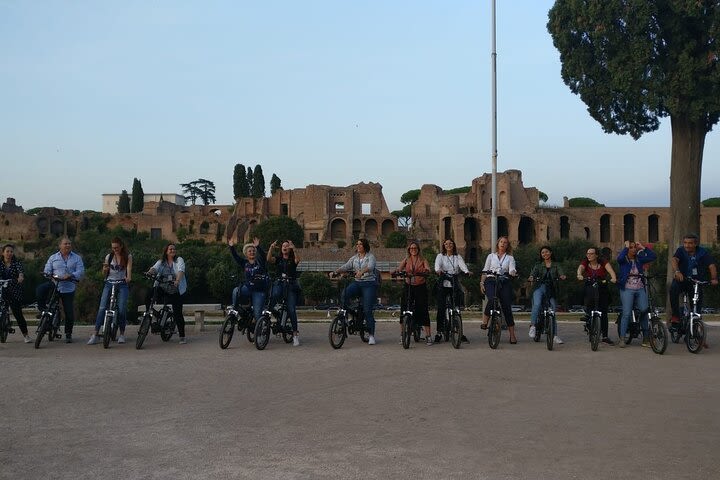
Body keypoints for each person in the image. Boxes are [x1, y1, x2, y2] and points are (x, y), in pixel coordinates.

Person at [36, 237, 85, 343]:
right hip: (55, 284)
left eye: (69, 243)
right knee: (40, 289)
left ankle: (68, 333)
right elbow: (47, 269)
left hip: (68, 288)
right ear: (60, 245)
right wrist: (49, 274)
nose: (68, 245)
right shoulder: (53, 257)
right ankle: (42, 310)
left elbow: (81, 271)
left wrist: (71, 275)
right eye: (65, 243)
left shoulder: (77, 258)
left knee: (69, 313)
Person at [333, 238, 378, 345]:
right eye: (357, 244)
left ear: (365, 246)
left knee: (367, 310)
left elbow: (371, 267)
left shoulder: (370, 257)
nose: (358, 246)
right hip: (357, 283)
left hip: (369, 284)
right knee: (345, 294)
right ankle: (346, 314)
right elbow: (346, 266)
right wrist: (335, 272)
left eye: (360, 244)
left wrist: (361, 272)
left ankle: (371, 335)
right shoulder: (354, 258)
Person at [669, 233, 718, 331]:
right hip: (682, 280)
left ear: (695, 244)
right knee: (673, 289)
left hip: (696, 281)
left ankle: (696, 326)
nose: (687, 245)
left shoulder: (702, 252)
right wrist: (677, 271)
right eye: (685, 243)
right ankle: (675, 316)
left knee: (697, 303)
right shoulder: (681, 250)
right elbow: (674, 260)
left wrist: (714, 278)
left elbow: (711, 266)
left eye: (690, 243)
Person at [88, 237, 132, 345]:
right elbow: (104, 272)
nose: (115, 249)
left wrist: (128, 277)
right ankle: (95, 334)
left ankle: (122, 334)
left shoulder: (127, 256)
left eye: (116, 247)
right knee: (102, 307)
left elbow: (129, 268)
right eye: (113, 247)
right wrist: (104, 270)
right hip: (109, 282)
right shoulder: (109, 256)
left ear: (121, 246)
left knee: (121, 309)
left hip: (122, 283)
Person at [616, 240, 657, 348]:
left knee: (644, 310)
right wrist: (625, 247)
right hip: (627, 289)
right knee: (626, 313)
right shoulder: (624, 260)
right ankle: (622, 338)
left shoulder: (639, 259)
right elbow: (619, 258)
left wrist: (643, 247)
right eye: (631, 247)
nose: (633, 249)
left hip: (639, 288)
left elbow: (653, 256)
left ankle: (646, 338)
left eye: (634, 247)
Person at [146, 243, 188, 344]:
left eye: (174, 249)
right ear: (166, 251)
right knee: (148, 296)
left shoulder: (179, 260)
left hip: (175, 289)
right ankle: (153, 315)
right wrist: (149, 272)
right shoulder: (161, 262)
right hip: (163, 287)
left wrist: (177, 280)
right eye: (170, 249)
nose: (173, 251)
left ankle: (182, 336)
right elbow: (154, 268)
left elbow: (181, 270)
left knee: (178, 313)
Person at [393, 240, 432, 346]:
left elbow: (428, 268)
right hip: (408, 286)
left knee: (423, 309)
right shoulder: (406, 260)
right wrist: (396, 271)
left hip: (420, 286)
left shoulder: (423, 259)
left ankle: (428, 336)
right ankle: (402, 335)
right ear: (409, 250)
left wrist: (426, 271)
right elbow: (399, 268)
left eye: (415, 248)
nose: (413, 250)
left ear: (418, 250)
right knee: (404, 308)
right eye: (411, 248)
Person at [577, 246, 617, 345]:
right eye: (587, 254)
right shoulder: (585, 262)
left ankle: (605, 336)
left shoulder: (603, 262)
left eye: (591, 253)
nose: (589, 255)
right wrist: (579, 275)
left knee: (604, 312)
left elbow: (610, 270)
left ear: (596, 255)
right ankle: (588, 316)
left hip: (602, 285)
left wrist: (613, 277)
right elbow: (580, 268)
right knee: (588, 298)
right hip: (590, 285)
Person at [480, 236, 518, 343]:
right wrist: (482, 283)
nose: (503, 244)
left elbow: (512, 268)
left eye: (505, 242)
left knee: (506, 307)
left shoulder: (510, 258)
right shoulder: (491, 256)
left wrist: (512, 272)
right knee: (492, 299)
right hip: (491, 280)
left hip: (504, 281)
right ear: (497, 244)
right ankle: (485, 321)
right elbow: (485, 270)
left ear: (507, 245)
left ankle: (512, 335)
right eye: (501, 242)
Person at [434, 239, 471, 343]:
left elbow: (462, 266)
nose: (448, 245)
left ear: (453, 245)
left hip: (454, 282)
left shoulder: (457, 257)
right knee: (441, 309)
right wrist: (438, 270)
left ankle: (460, 331)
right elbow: (437, 266)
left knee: (456, 308)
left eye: (450, 243)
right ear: (443, 245)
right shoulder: (440, 256)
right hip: (443, 282)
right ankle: (439, 332)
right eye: (446, 244)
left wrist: (466, 271)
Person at [528, 245, 566, 344]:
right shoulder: (538, 265)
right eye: (543, 252)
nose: (545, 254)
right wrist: (531, 277)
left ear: (551, 252)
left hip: (551, 289)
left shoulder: (556, 265)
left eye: (546, 252)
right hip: (539, 287)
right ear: (541, 255)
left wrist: (562, 276)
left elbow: (561, 272)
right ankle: (532, 326)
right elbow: (533, 274)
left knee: (552, 311)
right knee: (536, 304)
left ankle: (555, 335)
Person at [267, 239, 301, 346]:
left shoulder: (292, 259)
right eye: (283, 246)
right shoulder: (279, 259)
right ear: (281, 249)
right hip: (280, 283)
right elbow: (268, 259)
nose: (285, 247)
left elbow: (298, 260)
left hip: (290, 285)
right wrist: (271, 248)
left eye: (287, 246)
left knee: (291, 309)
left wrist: (294, 248)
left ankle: (295, 335)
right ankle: (273, 316)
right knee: (272, 298)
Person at [229, 236, 268, 324]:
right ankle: (235, 310)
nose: (252, 252)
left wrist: (258, 246)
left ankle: (259, 333)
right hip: (248, 288)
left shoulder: (260, 262)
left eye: (253, 251)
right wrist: (231, 247)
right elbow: (236, 257)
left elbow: (263, 256)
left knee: (257, 314)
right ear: (246, 254)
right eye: (250, 251)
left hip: (259, 290)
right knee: (236, 291)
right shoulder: (244, 263)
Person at [0, 244, 32, 343]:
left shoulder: (16, 263)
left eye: (11, 251)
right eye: (7, 251)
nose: (9, 253)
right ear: (3, 253)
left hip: (14, 290)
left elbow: (20, 272)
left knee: (18, 314)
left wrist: (20, 277)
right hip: (1, 289)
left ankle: (26, 335)